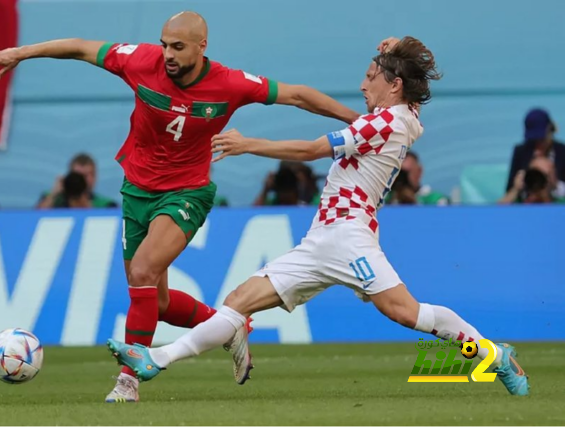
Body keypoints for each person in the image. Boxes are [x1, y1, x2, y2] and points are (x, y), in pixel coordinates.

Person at [106, 36, 530, 397]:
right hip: (322, 238)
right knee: (237, 303)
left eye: (371, 77)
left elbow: (311, 151)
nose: (362, 84)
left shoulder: (381, 124)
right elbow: (413, 77)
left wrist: (249, 144)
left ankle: (492, 354)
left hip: (349, 237)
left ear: (394, 84)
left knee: (407, 313)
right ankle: (155, 359)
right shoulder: (407, 115)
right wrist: (396, 43)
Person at [0, 11, 360, 402]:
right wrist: (22, 53)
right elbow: (79, 48)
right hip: (137, 190)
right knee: (155, 302)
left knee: (143, 271)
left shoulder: (230, 84)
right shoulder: (140, 61)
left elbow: (297, 95)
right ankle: (228, 326)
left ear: (202, 46)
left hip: (186, 193)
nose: (168, 54)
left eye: (177, 47)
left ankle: (128, 381)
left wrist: (359, 121)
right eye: (164, 44)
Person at [37, 153, 118, 209]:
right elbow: (34, 219)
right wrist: (54, 193)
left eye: (86, 176)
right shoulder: (52, 200)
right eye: (78, 175)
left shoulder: (107, 206)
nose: (80, 181)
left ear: (94, 177)